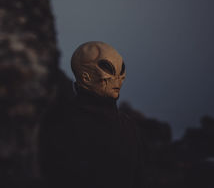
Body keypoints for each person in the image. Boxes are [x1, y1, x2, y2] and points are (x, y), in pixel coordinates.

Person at [40, 41, 146, 188]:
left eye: (121, 70)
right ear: (86, 77)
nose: (118, 79)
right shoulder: (62, 125)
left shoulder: (129, 127)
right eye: (109, 69)